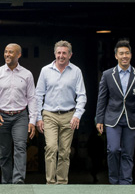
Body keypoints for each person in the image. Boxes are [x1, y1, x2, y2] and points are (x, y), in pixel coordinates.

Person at [95, 39, 135, 185]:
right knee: (113, 150)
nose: (124, 56)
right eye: (121, 53)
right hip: (112, 118)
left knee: (128, 153)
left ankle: (126, 183)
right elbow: (102, 99)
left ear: (131, 55)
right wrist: (99, 120)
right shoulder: (107, 75)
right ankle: (113, 181)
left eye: (127, 53)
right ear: (116, 56)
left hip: (132, 119)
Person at [35, 40, 86, 185]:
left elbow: (82, 95)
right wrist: (39, 117)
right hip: (49, 114)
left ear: (70, 55)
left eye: (64, 53)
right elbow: (38, 95)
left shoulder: (76, 71)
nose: (61, 56)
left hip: (69, 115)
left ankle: (62, 183)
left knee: (65, 152)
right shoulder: (45, 70)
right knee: (51, 147)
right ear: (54, 54)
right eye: (58, 53)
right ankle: (50, 183)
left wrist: (77, 115)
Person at [0, 43, 37, 184]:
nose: (7, 55)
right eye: (6, 52)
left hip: (20, 115)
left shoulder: (27, 74)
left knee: (20, 147)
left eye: (11, 52)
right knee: (4, 152)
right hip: (1, 116)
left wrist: (32, 120)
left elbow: (32, 98)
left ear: (18, 55)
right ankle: (6, 182)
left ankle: (18, 181)